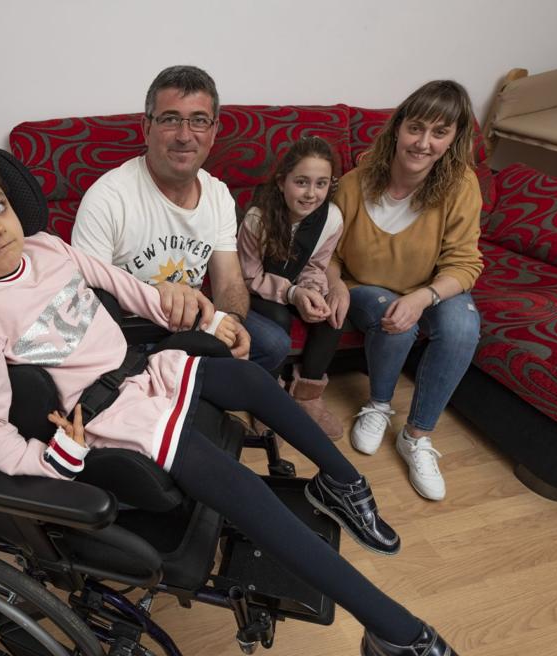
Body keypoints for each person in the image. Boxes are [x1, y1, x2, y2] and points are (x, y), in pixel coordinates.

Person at [0, 144, 460, 656]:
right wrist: (46, 463)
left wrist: (185, 307)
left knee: (252, 379)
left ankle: (341, 482)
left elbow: (123, 285)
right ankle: (396, 631)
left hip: (139, 369)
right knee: (244, 492)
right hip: (105, 419)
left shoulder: (47, 248)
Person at [71, 65, 290, 374]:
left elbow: (229, 283)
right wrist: (154, 295)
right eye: (171, 119)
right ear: (147, 128)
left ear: (213, 131)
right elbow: (85, 305)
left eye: (199, 121)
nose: (185, 136)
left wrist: (232, 322)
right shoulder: (107, 198)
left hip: (196, 324)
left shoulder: (218, 195)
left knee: (273, 344)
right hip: (131, 332)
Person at [328, 80, 484, 501]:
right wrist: (333, 286)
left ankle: (416, 436)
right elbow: (328, 252)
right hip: (364, 287)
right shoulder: (354, 182)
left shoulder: (460, 185)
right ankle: (378, 405)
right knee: (388, 310)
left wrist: (423, 297)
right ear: (397, 128)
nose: (423, 143)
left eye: (439, 133)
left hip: (428, 288)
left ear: (454, 139)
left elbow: (466, 263)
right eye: (416, 128)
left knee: (463, 326)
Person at [237, 136, 345, 439]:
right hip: (260, 291)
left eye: (321, 184)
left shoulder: (332, 218)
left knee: (333, 316)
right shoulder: (258, 219)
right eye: (302, 182)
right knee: (279, 318)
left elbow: (317, 265)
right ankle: (267, 395)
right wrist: (291, 294)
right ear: (282, 182)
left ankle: (307, 395)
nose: (311, 194)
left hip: (298, 287)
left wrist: (311, 291)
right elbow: (248, 277)